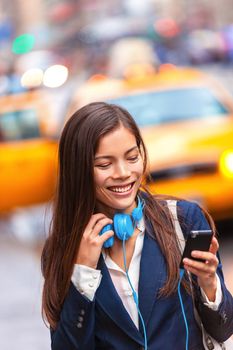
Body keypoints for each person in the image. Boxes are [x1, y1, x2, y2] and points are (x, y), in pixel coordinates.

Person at [41, 102, 233, 350]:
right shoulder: (64, 248)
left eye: (132, 158)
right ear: (79, 170)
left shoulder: (184, 221)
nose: (123, 172)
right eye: (104, 164)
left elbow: (223, 328)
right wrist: (82, 275)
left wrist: (210, 285)